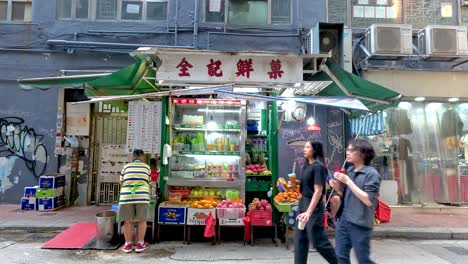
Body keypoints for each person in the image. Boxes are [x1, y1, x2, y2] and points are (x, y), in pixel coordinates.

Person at [331, 139, 382, 264]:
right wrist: (337, 186)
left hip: (360, 223)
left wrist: (348, 181)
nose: (348, 153)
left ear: (363, 154)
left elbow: (369, 200)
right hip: (344, 220)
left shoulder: (372, 174)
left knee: (363, 259)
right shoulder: (350, 171)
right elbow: (344, 194)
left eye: (352, 150)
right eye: (347, 150)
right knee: (340, 256)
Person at [294, 141, 338, 264]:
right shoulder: (308, 165)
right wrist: (296, 184)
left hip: (313, 207)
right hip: (303, 203)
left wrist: (308, 212)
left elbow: (318, 191)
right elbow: (308, 186)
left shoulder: (318, 167)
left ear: (314, 150)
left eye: (307, 147)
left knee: (318, 240)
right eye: (304, 147)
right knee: (300, 239)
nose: (304, 149)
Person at [119, 149, 151, 253]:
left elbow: (121, 182)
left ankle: (128, 244)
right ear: (142, 157)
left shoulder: (125, 167)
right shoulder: (147, 167)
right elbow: (149, 182)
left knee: (127, 221)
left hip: (126, 196)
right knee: (142, 220)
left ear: (133, 157)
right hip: (142, 196)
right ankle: (140, 244)